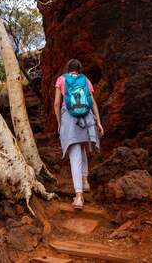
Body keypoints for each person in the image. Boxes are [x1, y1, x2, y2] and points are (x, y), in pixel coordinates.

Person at [54, 59, 104, 210]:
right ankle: (85, 181)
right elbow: (93, 102)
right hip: (86, 118)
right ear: (79, 69)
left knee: (74, 153)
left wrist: (59, 123)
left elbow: (57, 103)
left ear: (67, 68)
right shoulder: (86, 80)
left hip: (69, 118)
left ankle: (79, 196)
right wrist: (99, 122)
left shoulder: (61, 80)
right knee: (81, 148)